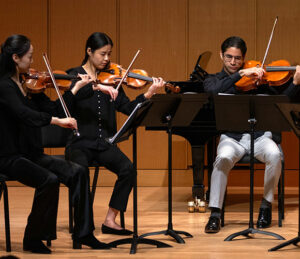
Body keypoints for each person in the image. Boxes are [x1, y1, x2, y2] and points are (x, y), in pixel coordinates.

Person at [0, 34, 111, 253]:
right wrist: (56, 122)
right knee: (49, 180)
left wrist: (73, 90)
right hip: (8, 156)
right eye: (29, 57)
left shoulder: (27, 84)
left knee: (78, 172)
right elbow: (25, 115)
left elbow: (53, 109)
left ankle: (84, 234)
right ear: (15, 58)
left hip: (30, 153)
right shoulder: (4, 86)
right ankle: (33, 238)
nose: (32, 63)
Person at [65, 32, 165, 235]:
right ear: (89, 51)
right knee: (79, 172)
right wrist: (98, 86)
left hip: (104, 143)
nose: (107, 59)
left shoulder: (113, 79)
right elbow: (72, 96)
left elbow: (128, 108)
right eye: (102, 54)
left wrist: (149, 93)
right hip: (79, 143)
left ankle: (110, 220)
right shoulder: (74, 74)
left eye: (109, 54)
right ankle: (83, 226)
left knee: (128, 169)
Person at [203, 36, 300, 233]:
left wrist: (296, 83)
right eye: (229, 57)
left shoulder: (259, 81)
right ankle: (215, 213)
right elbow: (213, 91)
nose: (233, 62)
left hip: (261, 137)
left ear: (243, 58)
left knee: (275, 155)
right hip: (232, 137)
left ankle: (266, 207)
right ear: (221, 55)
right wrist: (240, 74)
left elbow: (284, 102)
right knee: (222, 158)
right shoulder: (214, 80)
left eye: (238, 58)